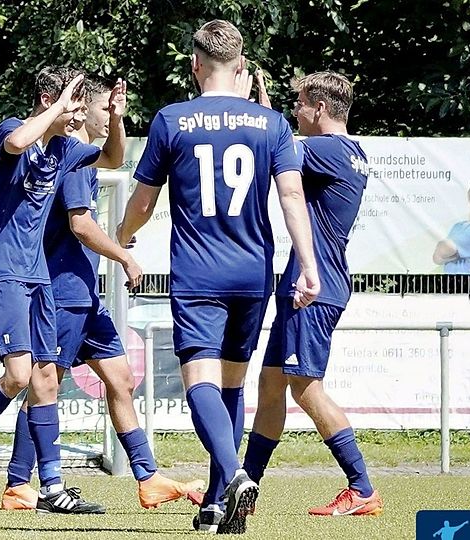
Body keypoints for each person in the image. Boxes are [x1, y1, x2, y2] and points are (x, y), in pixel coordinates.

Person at [115, 20, 319, 533]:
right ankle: (213, 505)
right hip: (253, 273)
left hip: (199, 275)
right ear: (243, 67)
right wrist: (309, 265)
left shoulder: (171, 119)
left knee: (199, 384)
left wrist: (123, 232)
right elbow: (292, 197)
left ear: (194, 65)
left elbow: (143, 200)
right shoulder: (270, 123)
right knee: (232, 384)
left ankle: (232, 476)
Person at [0, 77, 204, 512]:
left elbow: (116, 157)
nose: (101, 115)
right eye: (100, 108)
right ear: (81, 111)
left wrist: (117, 116)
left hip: (84, 295)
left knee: (120, 379)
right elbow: (81, 225)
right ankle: (19, 484)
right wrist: (124, 257)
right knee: (44, 384)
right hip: (59, 292)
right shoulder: (70, 161)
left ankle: (147, 478)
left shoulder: (83, 158)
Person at [0, 66, 124, 514]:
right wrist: (60, 108)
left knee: (44, 380)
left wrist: (114, 118)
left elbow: (112, 159)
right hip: (3, 271)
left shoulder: (62, 147)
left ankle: (52, 488)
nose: (78, 116)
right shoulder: (9, 132)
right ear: (46, 98)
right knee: (19, 374)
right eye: (73, 105)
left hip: (38, 274)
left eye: (79, 106)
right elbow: (18, 142)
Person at [240, 70, 384, 518]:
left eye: (299, 103)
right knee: (270, 385)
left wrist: (249, 113)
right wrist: (266, 114)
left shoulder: (328, 149)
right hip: (307, 283)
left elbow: (272, 150)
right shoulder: (348, 150)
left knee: (305, 386)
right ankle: (246, 485)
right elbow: (280, 147)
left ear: (319, 109)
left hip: (312, 287)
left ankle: (361, 487)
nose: (294, 111)